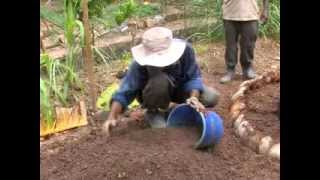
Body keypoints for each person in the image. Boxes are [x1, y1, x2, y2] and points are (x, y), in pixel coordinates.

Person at [103, 27, 220, 135]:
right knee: (160, 81)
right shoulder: (138, 65)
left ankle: (186, 107)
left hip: (179, 88)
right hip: (153, 94)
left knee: (211, 97)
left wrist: (194, 97)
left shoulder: (186, 51)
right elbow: (125, 90)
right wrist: (112, 117)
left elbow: (193, 77)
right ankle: (153, 112)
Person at [220, 0, 269, 83]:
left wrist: (265, 10)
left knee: (249, 44)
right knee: (230, 46)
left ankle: (248, 69)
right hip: (230, 13)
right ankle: (230, 70)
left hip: (251, 13)